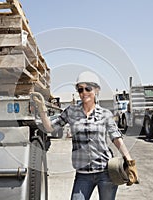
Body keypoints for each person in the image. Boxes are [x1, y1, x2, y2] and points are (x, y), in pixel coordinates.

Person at [31, 71, 138, 200]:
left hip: (105, 172)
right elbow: (50, 128)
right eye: (80, 89)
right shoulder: (71, 112)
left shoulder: (105, 114)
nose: (84, 93)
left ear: (96, 90)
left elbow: (116, 138)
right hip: (83, 174)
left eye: (88, 88)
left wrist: (129, 161)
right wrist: (42, 111)